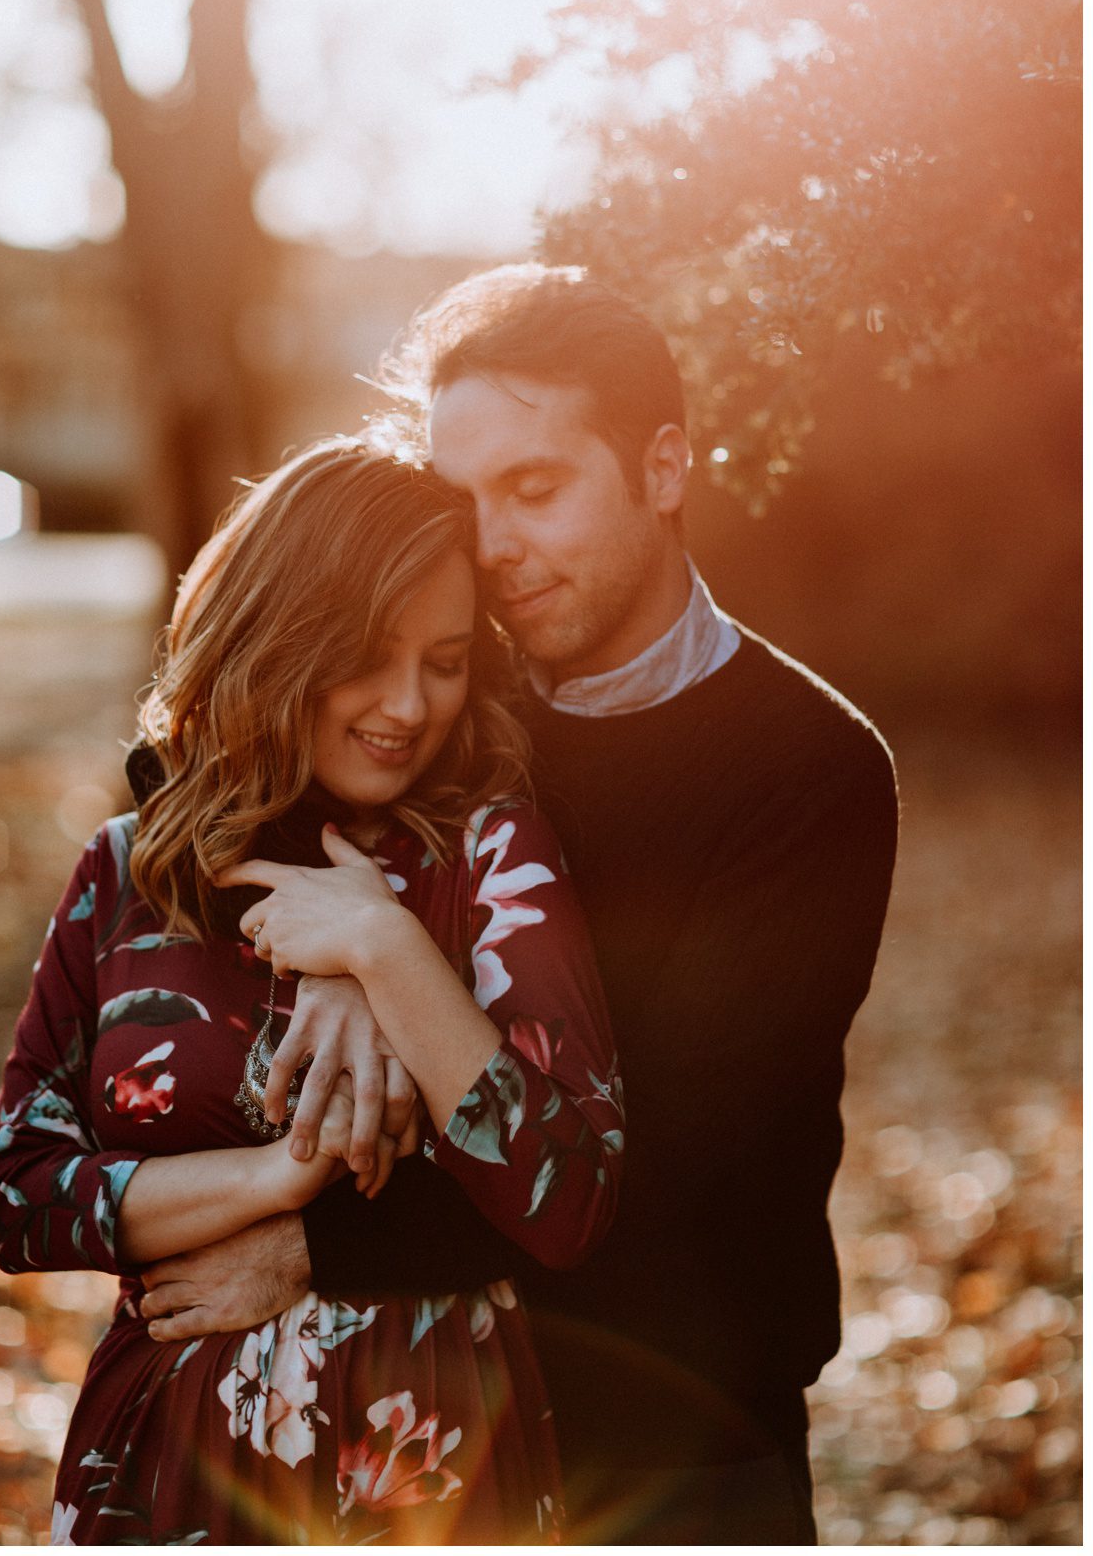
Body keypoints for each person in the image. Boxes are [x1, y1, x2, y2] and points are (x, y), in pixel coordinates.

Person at [127, 264, 899, 1544]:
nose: (487, 546)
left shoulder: (810, 772)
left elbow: (669, 1175)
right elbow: (185, 752)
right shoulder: (443, 688)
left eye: (535, 489)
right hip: (409, 1425)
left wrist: (319, 1244)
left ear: (663, 467)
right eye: (462, 498)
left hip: (673, 1431)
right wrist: (325, 939)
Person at [0, 436, 624, 1546]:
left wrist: (387, 947)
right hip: (164, 1462)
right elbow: (19, 1195)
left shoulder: (489, 857)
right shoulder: (129, 871)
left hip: (422, 1460)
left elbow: (571, 1194)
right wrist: (284, 1172)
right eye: (369, 652)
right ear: (281, 633)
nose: (410, 704)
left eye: (448, 658)